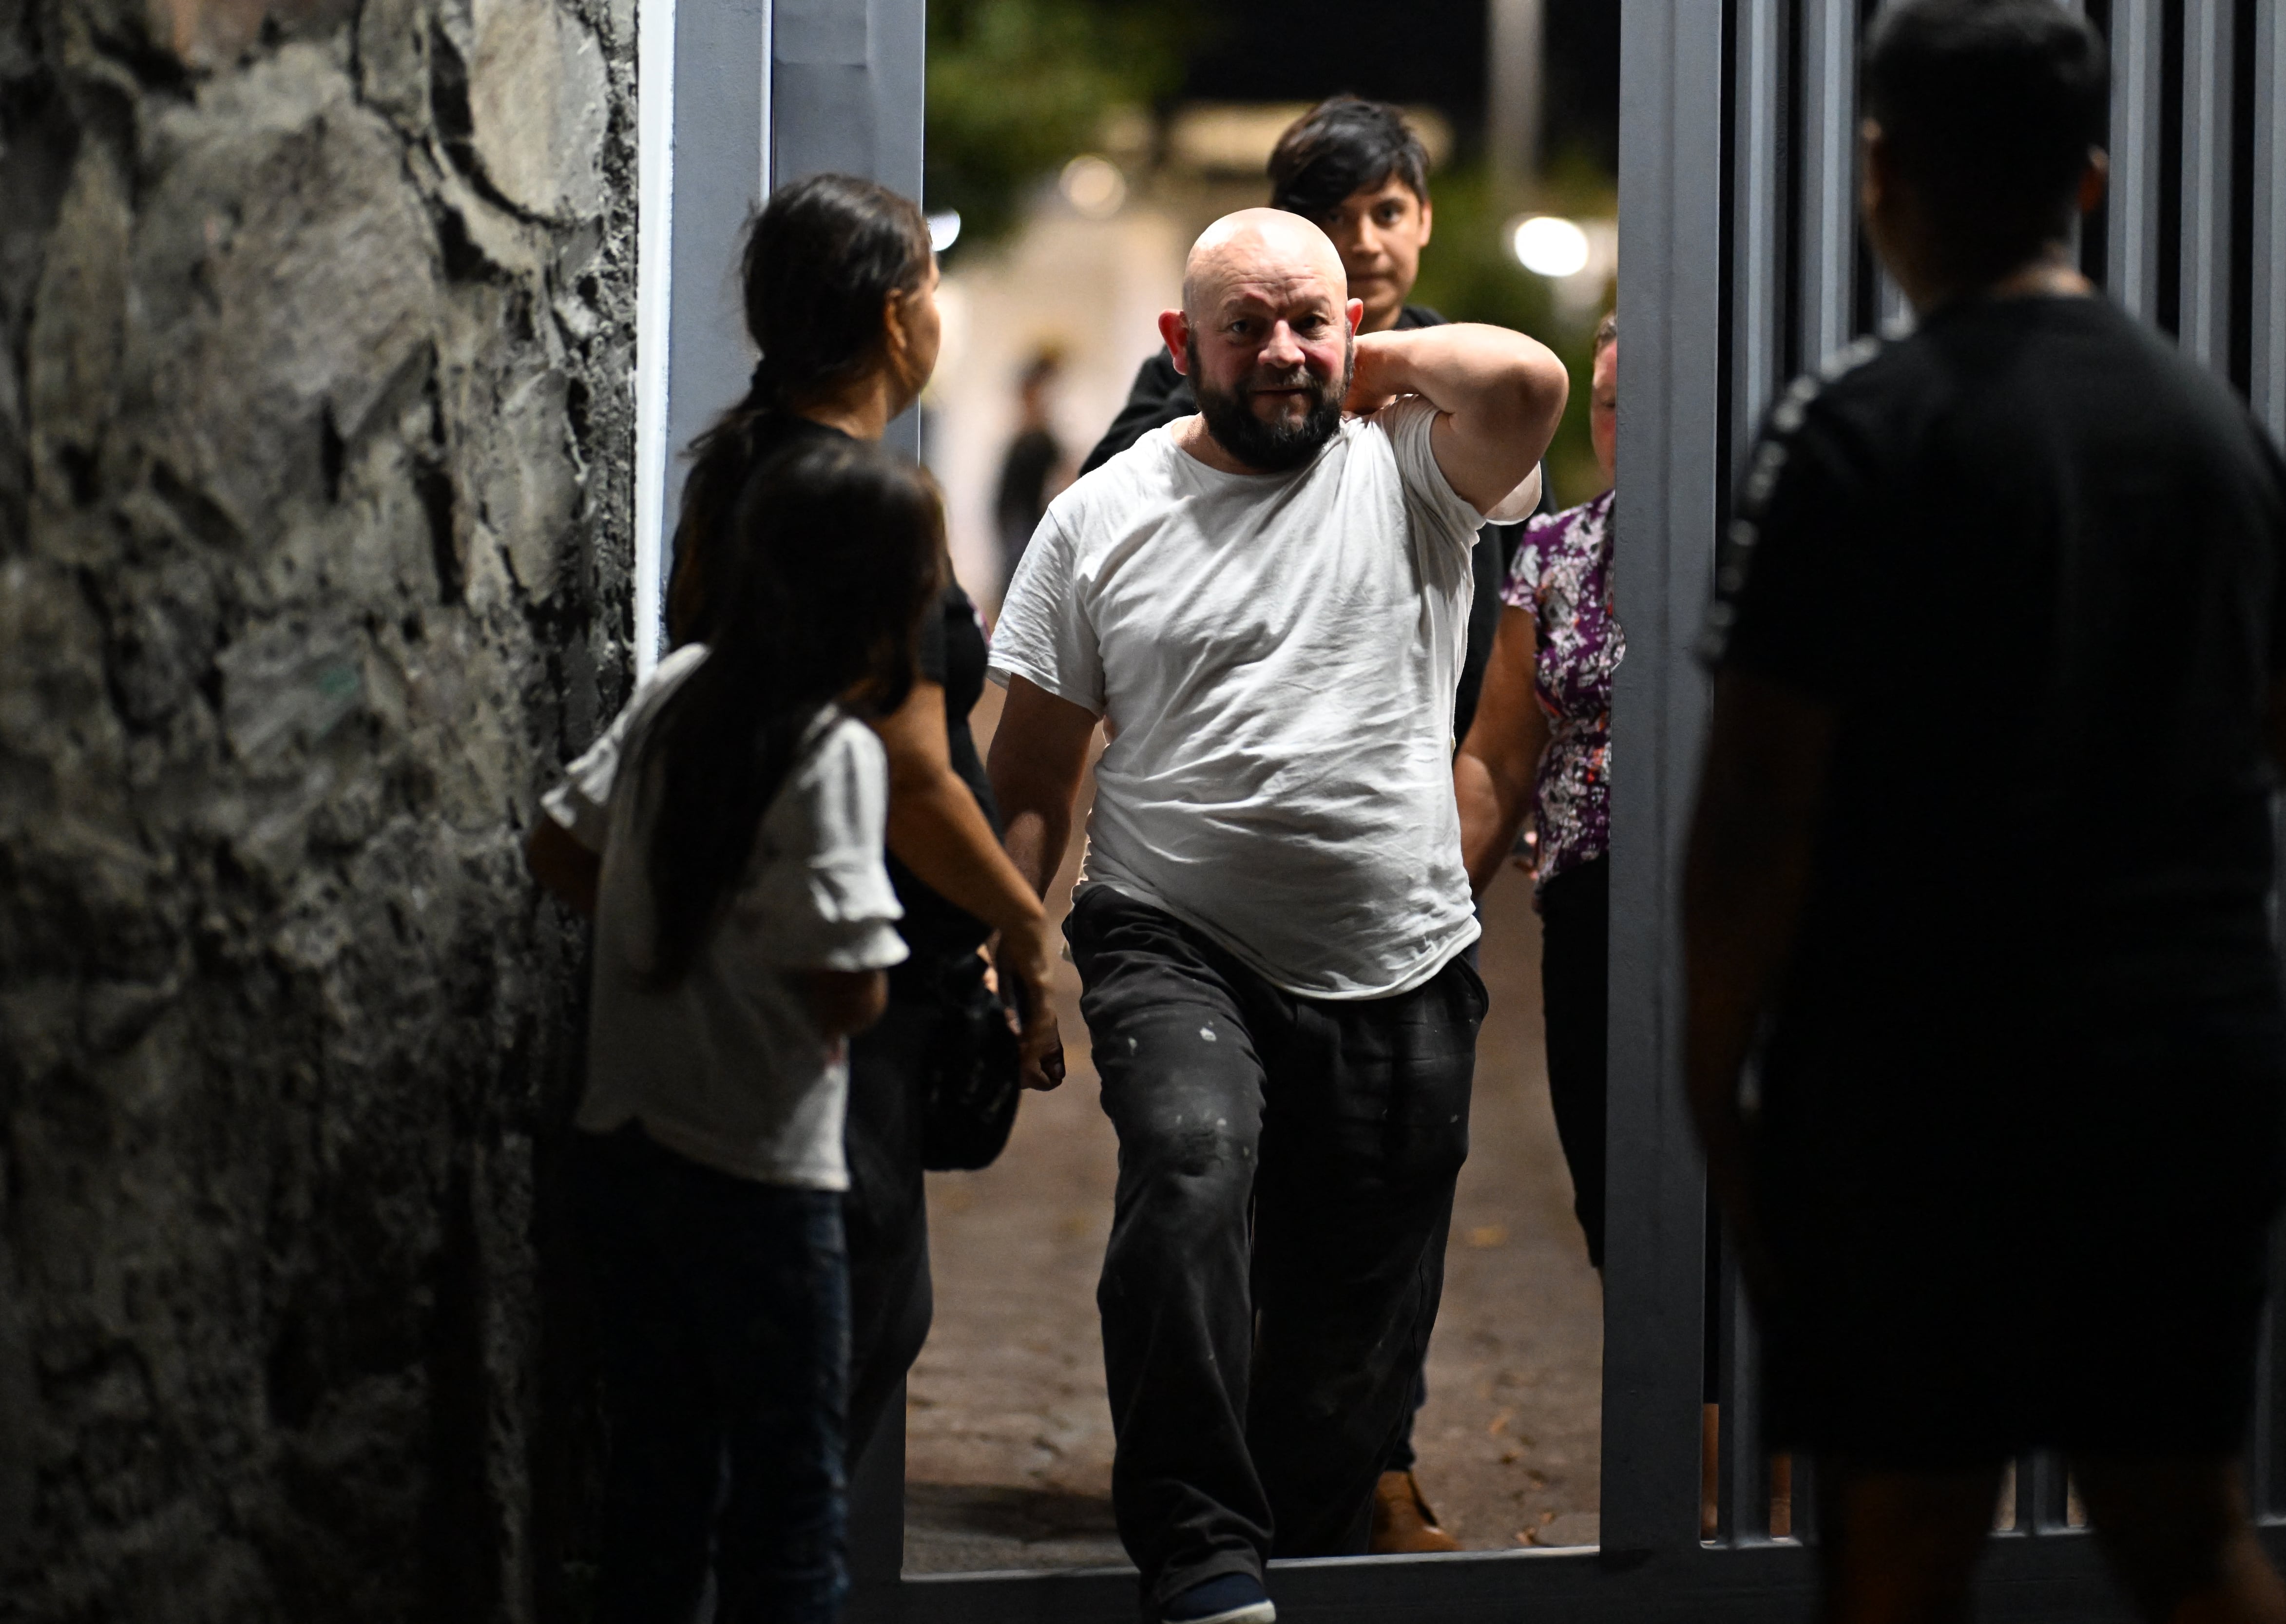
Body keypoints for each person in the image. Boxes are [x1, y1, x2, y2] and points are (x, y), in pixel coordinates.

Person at [1680, 5, 2286, 1623]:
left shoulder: (1855, 428)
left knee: (1901, 1542)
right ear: (2089, 176)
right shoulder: (2217, 427)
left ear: (1882, 167)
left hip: (1924, 1073)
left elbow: (1759, 796)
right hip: (2189, 1054)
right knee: (2188, 1525)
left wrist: (1713, 1067)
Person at [987, 209, 1566, 1624]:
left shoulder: (1413, 471)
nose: (1283, 351)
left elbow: (1529, 383)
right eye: (1243, 326)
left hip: (1402, 948)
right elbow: (1035, 771)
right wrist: (1016, 944)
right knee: (1191, 1168)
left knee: (1353, 1304)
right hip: (1170, 929)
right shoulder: (1100, 516)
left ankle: (1290, 1549)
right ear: (1180, 346)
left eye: (1308, 319)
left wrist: (1358, 355)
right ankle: (1194, 1542)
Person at [660, 172, 1065, 1484]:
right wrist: (1021, 922)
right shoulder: (869, 505)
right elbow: (911, 770)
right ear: (898, 320)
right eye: (932, 287)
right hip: (854, 986)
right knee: (852, 1331)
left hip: (740, 957)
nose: (939, 310)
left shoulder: (743, 468)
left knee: (766, 1356)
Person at [525, 435, 943, 1622]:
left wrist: (665, 935)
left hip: (625, 1147)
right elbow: (848, 987)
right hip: (762, 1179)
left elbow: (558, 846)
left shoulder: (676, 691)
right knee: (789, 1510)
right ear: (875, 600)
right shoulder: (834, 752)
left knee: (654, 1486)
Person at [1078, 94, 1534, 750]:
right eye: (1334, 216)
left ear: (1424, 219)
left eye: (1388, 212)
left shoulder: (1465, 376)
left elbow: (1529, 570)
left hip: (1441, 746)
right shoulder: (1210, 366)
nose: (1365, 242)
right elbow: (1111, 502)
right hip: (1252, 732)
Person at [1454, 310, 1620, 1269]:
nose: (1626, 427)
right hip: (1589, 915)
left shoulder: (1768, 537)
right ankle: (1672, 1424)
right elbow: (1498, 759)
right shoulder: (1558, 549)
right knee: (1614, 1202)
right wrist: (1428, 922)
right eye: (1608, 405)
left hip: (1730, 909)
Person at [993, 348, 1071, 592]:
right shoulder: (1029, 438)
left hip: (1025, 520)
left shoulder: (1042, 439)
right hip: (1017, 520)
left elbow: (1063, 476)